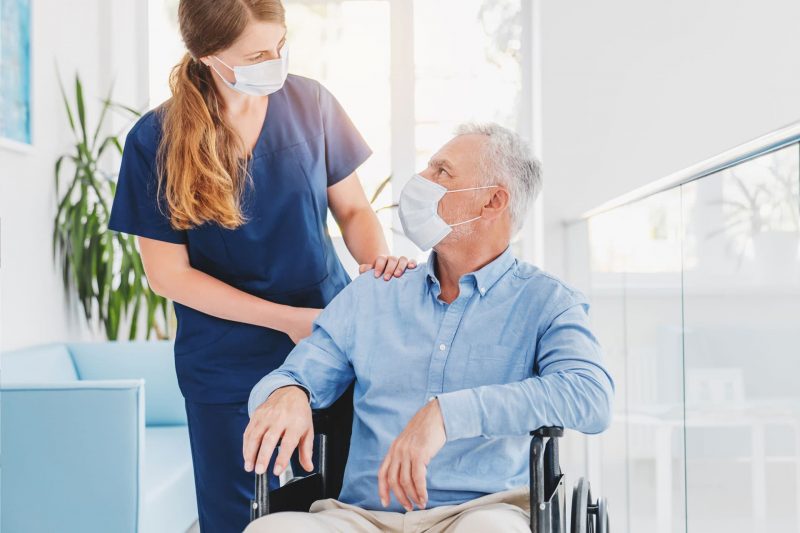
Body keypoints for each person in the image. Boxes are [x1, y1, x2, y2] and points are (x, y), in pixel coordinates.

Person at [107, 1, 414, 531]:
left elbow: (356, 209)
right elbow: (168, 276)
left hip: (328, 345)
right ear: (208, 56)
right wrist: (289, 320)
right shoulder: (155, 141)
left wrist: (374, 263)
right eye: (256, 55)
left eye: (279, 47)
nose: (274, 63)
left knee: (340, 508)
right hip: (227, 360)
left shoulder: (311, 103)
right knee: (240, 517)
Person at [243, 123, 615, 532]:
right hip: (361, 518)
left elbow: (591, 395)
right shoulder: (374, 293)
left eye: (442, 172)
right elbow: (299, 373)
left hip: (481, 512)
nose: (421, 181)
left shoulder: (546, 302)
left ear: (493, 201)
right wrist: (287, 391)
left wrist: (446, 414)